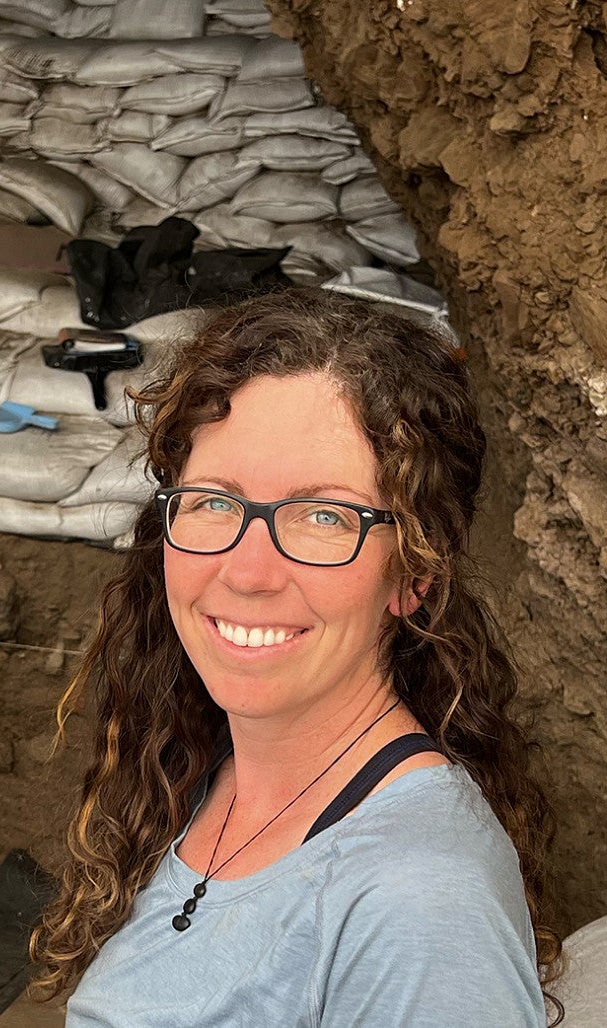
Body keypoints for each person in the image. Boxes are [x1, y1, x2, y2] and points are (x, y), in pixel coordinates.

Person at [30, 289, 562, 1024]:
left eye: (323, 516)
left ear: (415, 573)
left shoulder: (420, 904)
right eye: (215, 501)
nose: (248, 573)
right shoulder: (194, 771)